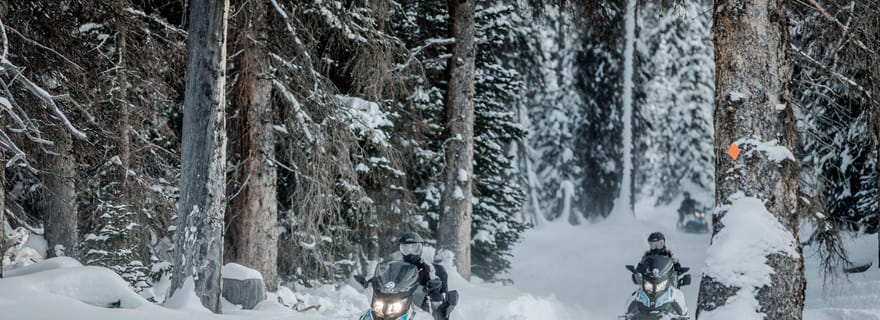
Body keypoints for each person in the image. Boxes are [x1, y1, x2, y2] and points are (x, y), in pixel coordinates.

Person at [398, 232, 450, 317]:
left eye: (414, 248)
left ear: (420, 248)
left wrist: (434, 283)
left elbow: (433, 276)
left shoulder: (427, 266)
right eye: (406, 249)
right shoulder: (398, 266)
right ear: (401, 249)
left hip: (421, 303)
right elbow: (388, 277)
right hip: (398, 301)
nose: (410, 252)